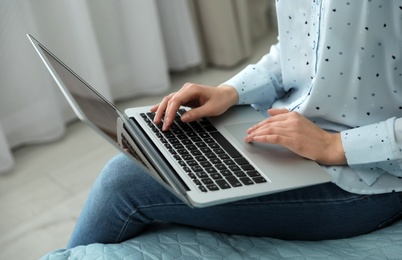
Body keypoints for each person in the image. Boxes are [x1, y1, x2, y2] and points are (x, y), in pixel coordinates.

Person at [67, 0, 402, 247]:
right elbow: (298, 51)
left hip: (367, 175)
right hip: (282, 129)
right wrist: (230, 91)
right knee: (155, 142)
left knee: (123, 182)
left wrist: (334, 146)